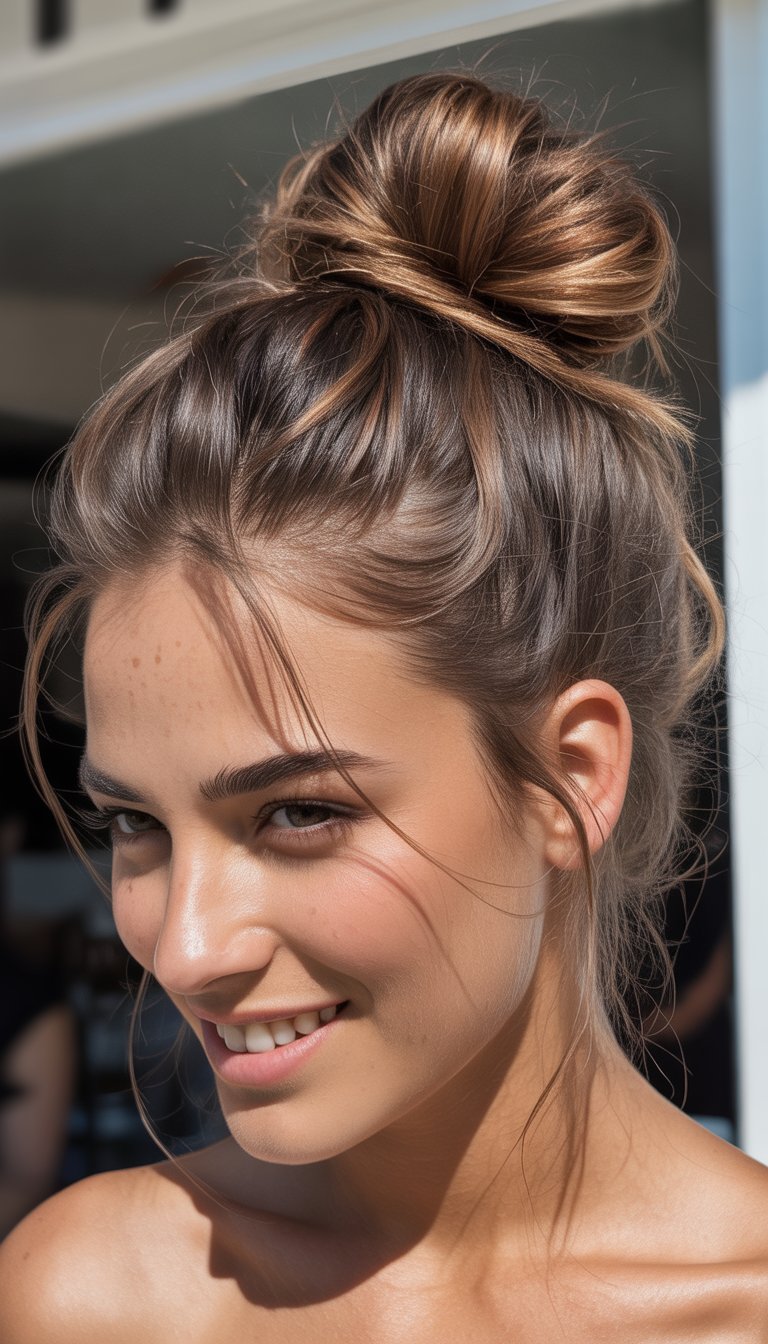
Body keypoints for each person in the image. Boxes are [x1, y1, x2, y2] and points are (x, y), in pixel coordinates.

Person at [1, 70, 767, 1340]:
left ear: (572, 777)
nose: (183, 948)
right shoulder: (88, 1300)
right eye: (136, 826)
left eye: (297, 811)